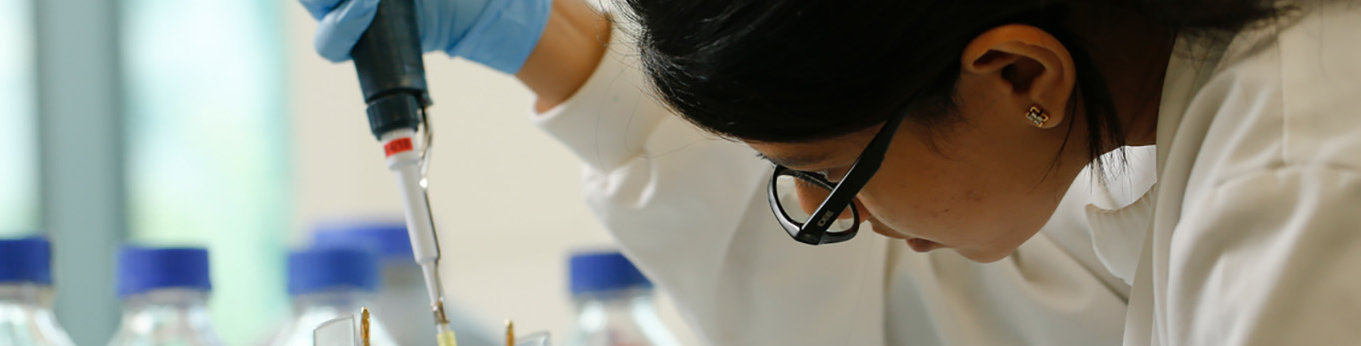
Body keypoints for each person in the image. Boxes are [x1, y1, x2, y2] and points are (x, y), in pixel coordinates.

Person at [299, 0, 1361, 344]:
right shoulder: (1142, 139)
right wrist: (550, 41)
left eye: (827, 177)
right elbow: (925, 319)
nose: (824, 216)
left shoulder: (1293, 178)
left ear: (1010, 70)